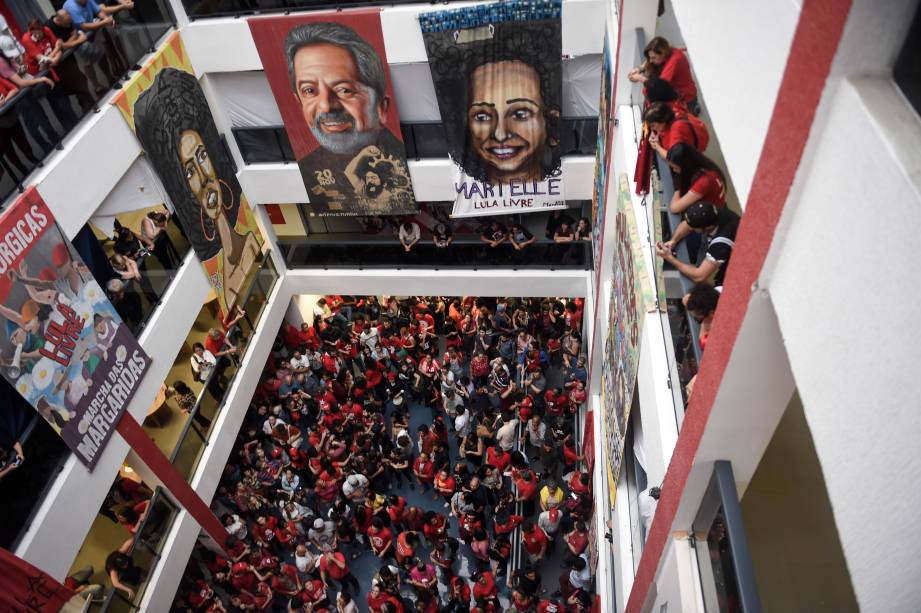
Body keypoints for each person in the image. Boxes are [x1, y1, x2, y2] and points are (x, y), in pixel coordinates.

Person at [134, 68, 261, 314]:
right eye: (190, 171)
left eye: (202, 157)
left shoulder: (252, 241)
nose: (203, 179)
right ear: (182, 182)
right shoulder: (222, 272)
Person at [283, 21, 413, 213]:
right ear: (299, 100)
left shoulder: (405, 161)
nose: (326, 105)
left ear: (381, 107)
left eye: (344, 90)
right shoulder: (308, 172)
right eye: (310, 90)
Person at [655, 202, 739, 287]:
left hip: (737, 266)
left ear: (707, 227)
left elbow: (699, 276)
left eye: (694, 228)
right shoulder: (713, 214)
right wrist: (673, 241)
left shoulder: (721, 243)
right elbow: (687, 225)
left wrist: (670, 258)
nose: (690, 228)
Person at [628, 36, 698, 113]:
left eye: (654, 58)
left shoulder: (675, 60)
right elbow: (649, 61)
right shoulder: (669, 51)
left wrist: (638, 77)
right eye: (650, 57)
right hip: (675, 95)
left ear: (663, 54)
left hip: (685, 100)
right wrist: (639, 69)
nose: (650, 61)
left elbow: (658, 86)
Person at [664, 143, 726, 214]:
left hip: (711, 218)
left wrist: (677, 189)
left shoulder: (703, 182)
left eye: (676, 168)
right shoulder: (707, 167)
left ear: (686, 166)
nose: (674, 171)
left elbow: (674, 208)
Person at [644, 102, 709, 158]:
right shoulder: (673, 109)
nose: (652, 129)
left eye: (652, 125)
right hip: (698, 133)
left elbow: (672, 158)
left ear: (663, 121)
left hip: (696, 147)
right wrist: (656, 133)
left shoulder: (675, 132)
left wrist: (657, 146)